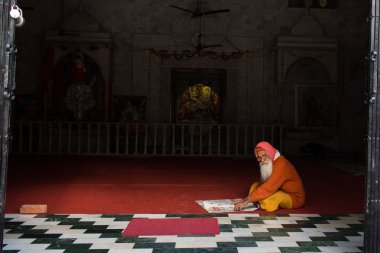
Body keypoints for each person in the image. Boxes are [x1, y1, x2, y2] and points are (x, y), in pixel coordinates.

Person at [234, 141, 305, 212]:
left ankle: (260, 201)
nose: (262, 159)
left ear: (270, 153)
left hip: (294, 198)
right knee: (255, 185)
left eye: (264, 155)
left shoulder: (281, 164)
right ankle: (259, 200)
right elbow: (264, 184)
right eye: (259, 157)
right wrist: (248, 198)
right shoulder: (271, 162)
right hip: (277, 190)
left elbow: (269, 187)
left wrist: (247, 200)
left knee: (270, 199)